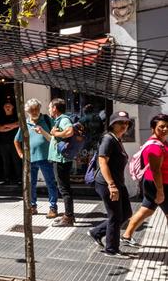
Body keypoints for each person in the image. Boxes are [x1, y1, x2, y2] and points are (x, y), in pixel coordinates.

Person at [87, 111, 133, 258]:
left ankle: (96, 232)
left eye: (126, 123)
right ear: (112, 124)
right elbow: (102, 162)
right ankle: (111, 249)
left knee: (126, 213)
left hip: (118, 183)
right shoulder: (108, 139)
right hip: (108, 183)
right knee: (115, 216)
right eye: (120, 122)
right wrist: (112, 185)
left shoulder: (117, 140)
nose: (124, 126)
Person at [121, 114, 168, 247]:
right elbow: (156, 171)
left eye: (167, 126)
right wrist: (160, 192)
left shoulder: (161, 142)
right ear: (153, 128)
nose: (165, 129)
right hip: (159, 185)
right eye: (161, 127)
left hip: (153, 183)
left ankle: (126, 236)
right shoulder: (154, 147)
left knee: (146, 210)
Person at [14, 98, 59, 216]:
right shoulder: (25, 123)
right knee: (31, 184)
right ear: (28, 111)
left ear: (39, 109)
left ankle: (53, 207)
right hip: (30, 159)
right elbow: (16, 140)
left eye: (36, 109)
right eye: (31, 110)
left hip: (46, 157)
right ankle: (33, 206)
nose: (34, 111)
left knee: (50, 183)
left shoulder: (47, 120)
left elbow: (55, 136)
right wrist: (20, 154)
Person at [48, 98, 76, 226]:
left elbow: (70, 131)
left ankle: (68, 217)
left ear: (55, 108)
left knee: (64, 188)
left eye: (50, 107)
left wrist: (57, 133)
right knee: (64, 187)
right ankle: (68, 215)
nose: (49, 110)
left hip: (61, 160)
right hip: (60, 159)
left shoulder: (64, 119)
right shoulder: (59, 120)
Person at [0, 98, 22, 185]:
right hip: (3, 143)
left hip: (15, 143)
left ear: (13, 107)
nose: (7, 107)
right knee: (5, 161)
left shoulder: (16, 116)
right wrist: (12, 126)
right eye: (6, 106)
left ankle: (19, 179)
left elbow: (19, 124)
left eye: (9, 106)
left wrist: (5, 126)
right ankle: (6, 179)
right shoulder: (0, 117)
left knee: (16, 161)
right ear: (3, 107)